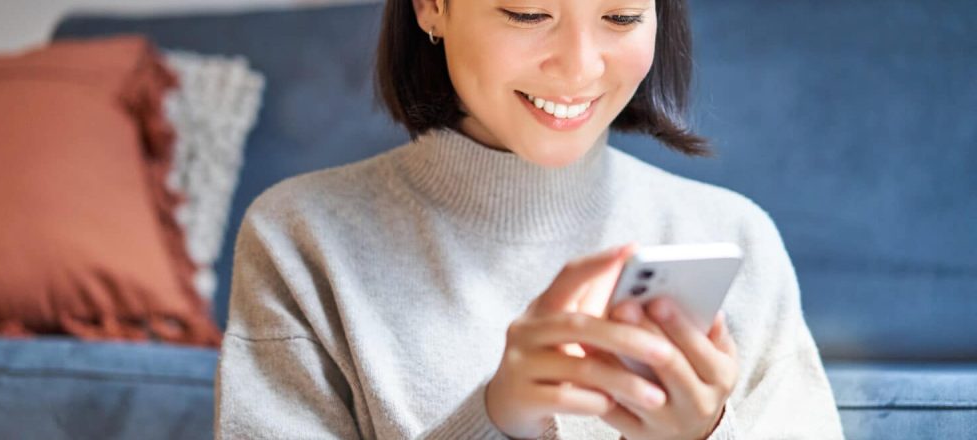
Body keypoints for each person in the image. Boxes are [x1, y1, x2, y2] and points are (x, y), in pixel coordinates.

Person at [214, 0, 845, 438]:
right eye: (528, 14)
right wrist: (497, 418)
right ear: (432, 6)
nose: (579, 67)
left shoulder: (733, 237)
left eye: (621, 17)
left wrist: (701, 436)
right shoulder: (299, 239)